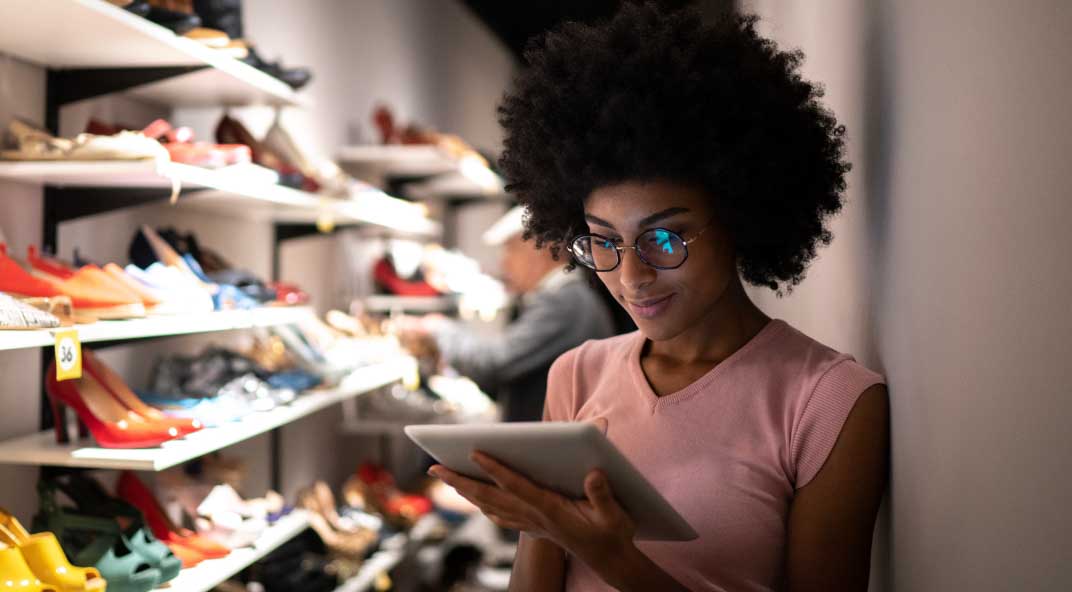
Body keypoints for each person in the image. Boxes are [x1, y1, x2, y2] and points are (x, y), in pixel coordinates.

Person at [427, 5, 890, 592]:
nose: (632, 276)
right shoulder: (577, 374)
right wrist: (543, 526)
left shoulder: (830, 402)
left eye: (665, 237)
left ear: (738, 218)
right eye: (603, 242)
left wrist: (613, 556)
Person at [412, 205, 616, 423]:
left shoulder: (564, 303)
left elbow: (493, 364)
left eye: (511, 249)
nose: (504, 262)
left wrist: (439, 330)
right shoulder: (568, 298)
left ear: (545, 248)